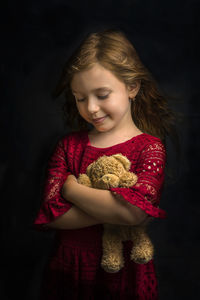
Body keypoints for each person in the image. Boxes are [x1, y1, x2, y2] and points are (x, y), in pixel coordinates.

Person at [34, 29, 178, 299]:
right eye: (80, 98)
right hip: (69, 269)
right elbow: (52, 214)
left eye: (102, 95)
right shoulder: (69, 146)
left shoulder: (149, 148)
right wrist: (114, 208)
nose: (91, 108)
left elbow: (135, 213)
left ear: (132, 87)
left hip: (124, 273)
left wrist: (72, 191)